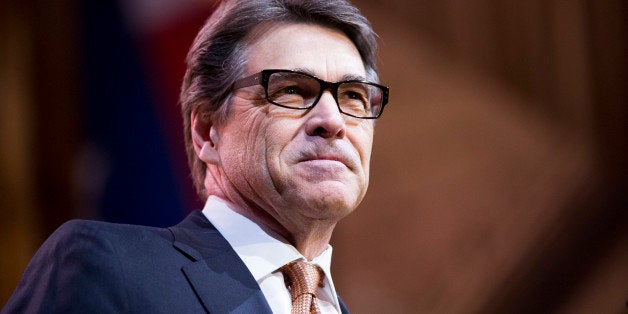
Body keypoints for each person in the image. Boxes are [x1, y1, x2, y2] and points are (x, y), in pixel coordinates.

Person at [2, 0, 389, 313]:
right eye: (291, 90)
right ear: (208, 132)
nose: (332, 120)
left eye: (353, 96)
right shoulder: (111, 268)